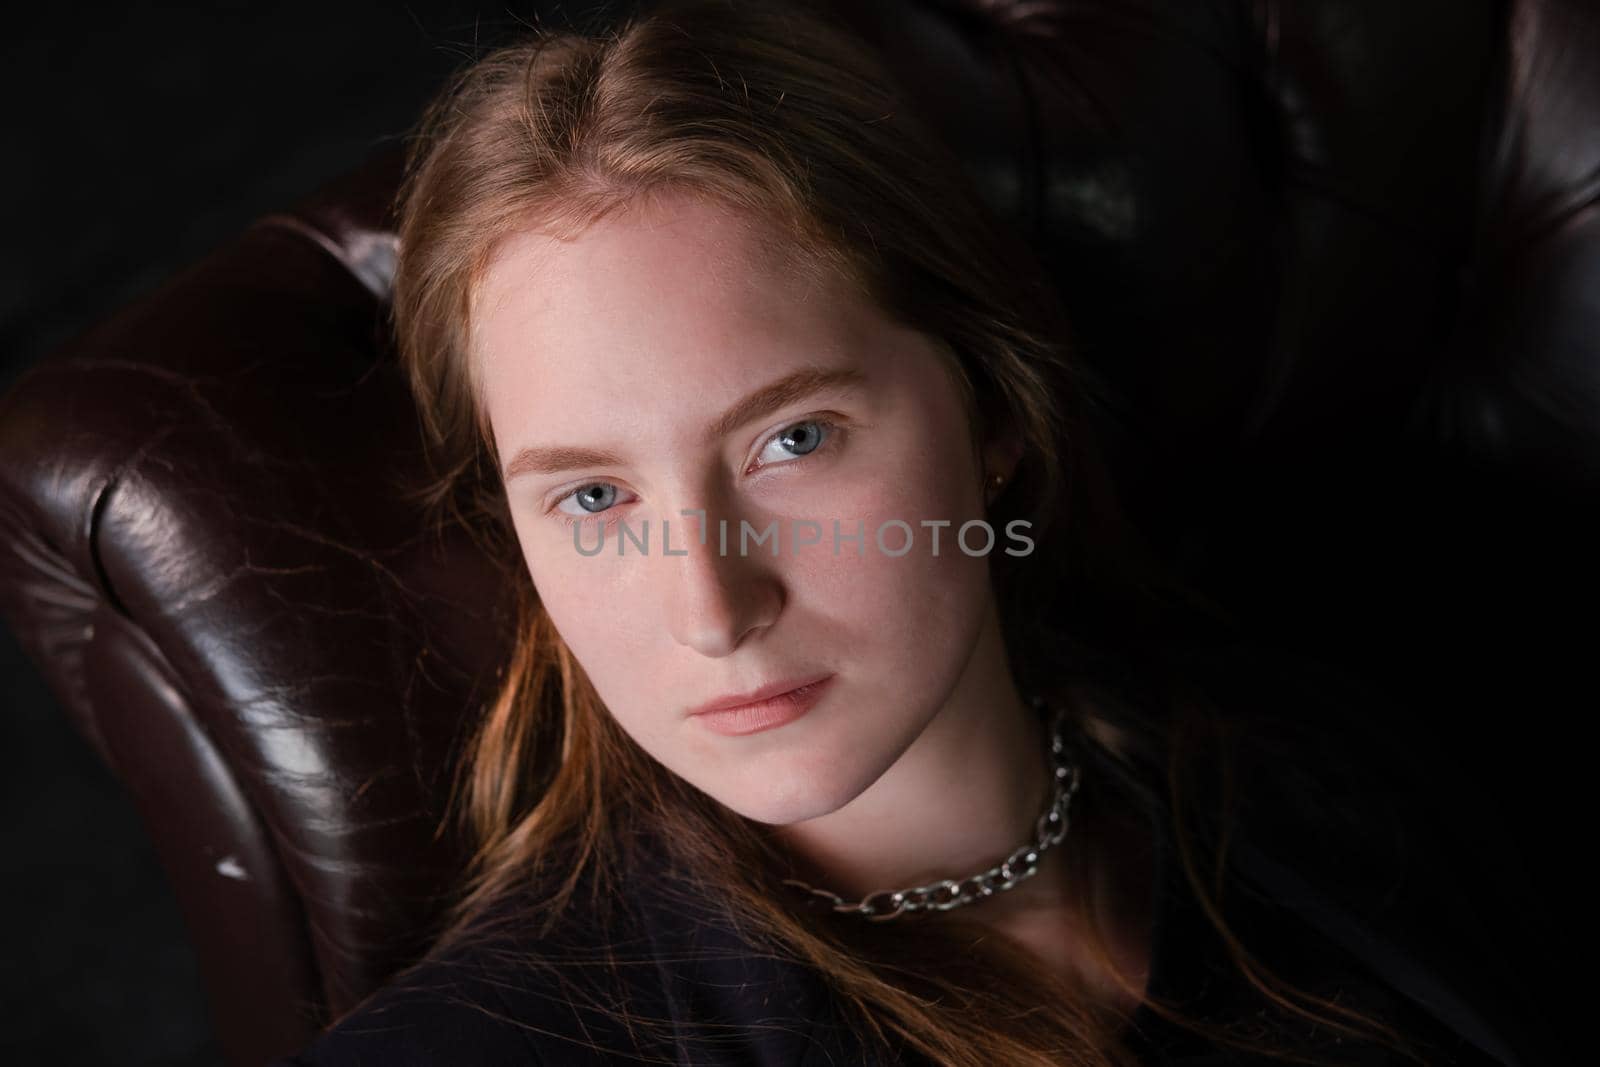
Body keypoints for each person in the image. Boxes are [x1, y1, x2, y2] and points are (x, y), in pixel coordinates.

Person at [275, 1, 1544, 1063]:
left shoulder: (1317, 766)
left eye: (794, 439)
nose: (711, 607)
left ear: (991, 408)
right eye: (594, 496)